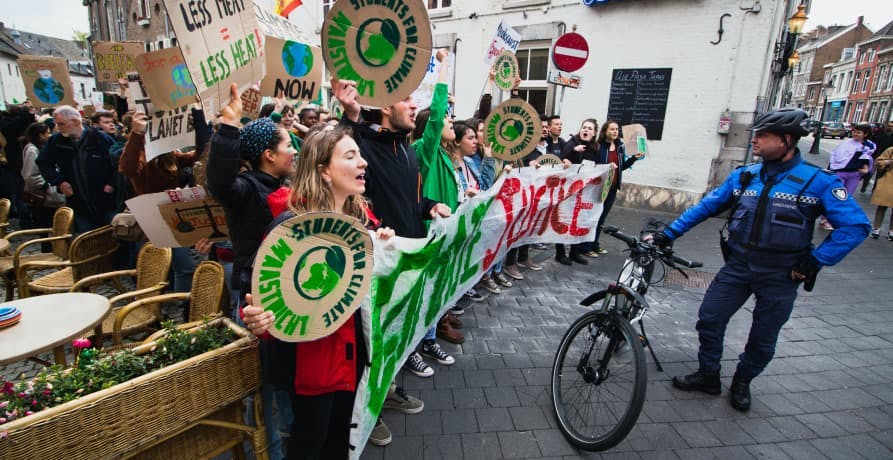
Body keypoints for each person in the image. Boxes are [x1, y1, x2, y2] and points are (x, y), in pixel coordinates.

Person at [651, 109, 870, 412]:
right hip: (738, 265)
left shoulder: (818, 182)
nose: (755, 140)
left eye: (764, 136)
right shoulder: (745, 175)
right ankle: (709, 375)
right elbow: (707, 207)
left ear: (787, 140)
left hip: (782, 273)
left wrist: (817, 260)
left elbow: (856, 226)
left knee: (763, 336)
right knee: (710, 318)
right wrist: (669, 233)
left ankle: (743, 381)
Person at [241, 127, 395, 460]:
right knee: (312, 441)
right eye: (350, 156)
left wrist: (384, 250)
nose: (364, 162)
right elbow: (258, 298)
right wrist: (257, 318)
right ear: (323, 170)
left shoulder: (361, 223)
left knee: (340, 440)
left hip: (355, 355)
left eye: (360, 154)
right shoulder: (290, 227)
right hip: (313, 362)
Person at [332, 76, 451, 444]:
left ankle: (387, 392)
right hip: (377, 264)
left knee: (393, 336)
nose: (414, 106)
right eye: (407, 100)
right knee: (372, 341)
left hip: (406, 262)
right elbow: (346, 142)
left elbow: (410, 203)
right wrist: (350, 114)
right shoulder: (367, 144)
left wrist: (431, 207)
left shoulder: (407, 150)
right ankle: (368, 412)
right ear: (386, 108)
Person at [206, 83, 296, 460]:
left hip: (285, 296)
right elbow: (220, 183)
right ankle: (267, 450)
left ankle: (295, 437)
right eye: (288, 145)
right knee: (260, 385)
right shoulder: (244, 189)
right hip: (254, 300)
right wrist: (229, 126)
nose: (294, 150)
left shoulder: (284, 186)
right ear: (268, 155)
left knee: (286, 378)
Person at [408, 48, 464, 365]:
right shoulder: (423, 150)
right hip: (429, 233)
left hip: (445, 232)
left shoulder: (444, 155)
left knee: (437, 293)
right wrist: (444, 66)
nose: (450, 120)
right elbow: (439, 107)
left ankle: (429, 340)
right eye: (446, 118)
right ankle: (414, 348)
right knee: (425, 294)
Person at [37, 105, 118, 233]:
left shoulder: (100, 138)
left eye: (61, 124)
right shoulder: (56, 141)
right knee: (85, 241)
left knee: (114, 238)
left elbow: (119, 164)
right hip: (78, 202)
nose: (57, 128)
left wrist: (112, 184)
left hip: (106, 201)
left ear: (75, 121)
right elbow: (43, 163)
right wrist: (59, 181)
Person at [592, 120, 643, 255]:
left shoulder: (620, 146)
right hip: (600, 187)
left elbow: (621, 168)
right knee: (594, 216)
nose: (615, 132)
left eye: (616, 129)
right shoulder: (599, 146)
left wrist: (634, 159)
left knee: (602, 217)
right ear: (605, 131)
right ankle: (586, 246)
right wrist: (606, 168)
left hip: (613, 187)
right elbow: (595, 167)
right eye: (612, 129)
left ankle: (595, 244)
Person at [558, 118, 599, 263]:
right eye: (584, 127)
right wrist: (574, 152)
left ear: (594, 133)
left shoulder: (594, 148)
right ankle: (560, 253)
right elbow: (561, 159)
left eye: (589, 128)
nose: (586, 130)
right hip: (568, 190)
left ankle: (575, 252)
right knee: (564, 219)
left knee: (579, 221)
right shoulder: (572, 143)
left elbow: (597, 167)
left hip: (584, 192)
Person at [20, 122, 65, 249]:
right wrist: (45, 186)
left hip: (45, 194)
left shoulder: (38, 147)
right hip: (42, 195)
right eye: (48, 132)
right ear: (40, 135)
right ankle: (48, 249)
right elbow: (30, 174)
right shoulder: (32, 150)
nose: (50, 135)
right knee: (45, 224)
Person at [869, 146, 893, 240]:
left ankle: (891, 231)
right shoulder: (890, 150)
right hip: (887, 181)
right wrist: (888, 162)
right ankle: (876, 229)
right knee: (882, 206)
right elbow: (878, 162)